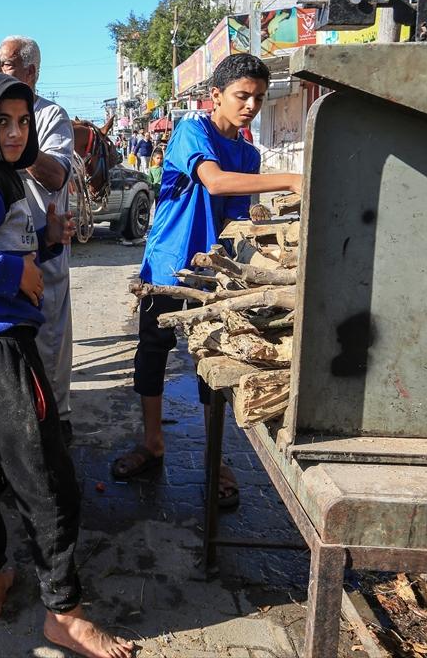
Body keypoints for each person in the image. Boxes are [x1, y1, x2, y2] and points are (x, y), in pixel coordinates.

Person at [0, 72, 134, 658]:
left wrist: (42, 243)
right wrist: (16, 274)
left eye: (23, 121)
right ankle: (64, 613)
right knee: (49, 477)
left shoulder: (5, 174)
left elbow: (0, 242)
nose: (14, 133)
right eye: (3, 122)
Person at [110, 54, 302, 509]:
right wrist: (293, 179)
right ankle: (153, 442)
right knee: (153, 354)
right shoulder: (192, 132)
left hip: (216, 274)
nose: (251, 105)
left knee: (212, 363)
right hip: (168, 265)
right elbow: (214, 183)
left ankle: (216, 459)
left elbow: (239, 221)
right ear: (215, 95)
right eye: (242, 96)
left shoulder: (250, 155)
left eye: (258, 97)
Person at [0, 36, 77, 444]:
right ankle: (6, 433)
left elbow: (58, 174)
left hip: (41, 253)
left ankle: (55, 426)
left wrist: (16, 145)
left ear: (30, 73)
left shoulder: (49, 117)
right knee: (2, 353)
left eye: (4, 66)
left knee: (46, 349)